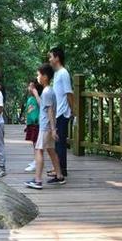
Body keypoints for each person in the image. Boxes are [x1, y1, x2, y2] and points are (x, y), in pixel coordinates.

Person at [25, 63, 66, 189]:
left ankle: (37, 180)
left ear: (45, 77)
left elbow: (50, 111)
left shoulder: (47, 92)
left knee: (39, 150)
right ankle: (59, 176)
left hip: (45, 127)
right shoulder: (49, 91)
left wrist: (53, 129)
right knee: (51, 150)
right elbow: (44, 106)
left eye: (39, 75)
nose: (37, 77)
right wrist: (36, 94)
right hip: (48, 126)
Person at [48, 46, 74, 178]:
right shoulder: (57, 73)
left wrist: (73, 112)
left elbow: (69, 94)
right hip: (57, 112)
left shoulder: (63, 73)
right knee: (57, 142)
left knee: (60, 143)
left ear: (57, 58)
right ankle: (56, 168)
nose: (49, 59)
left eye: (51, 56)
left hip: (63, 113)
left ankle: (62, 169)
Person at [24, 79, 43, 172]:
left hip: (36, 124)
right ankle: (35, 160)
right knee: (34, 143)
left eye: (31, 87)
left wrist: (35, 121)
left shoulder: (37, 98)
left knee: (36, 144)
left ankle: (36, 162)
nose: (29, 88)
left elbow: (37, 110)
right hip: (31, 124)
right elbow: (29, 112)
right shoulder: (30, 99)